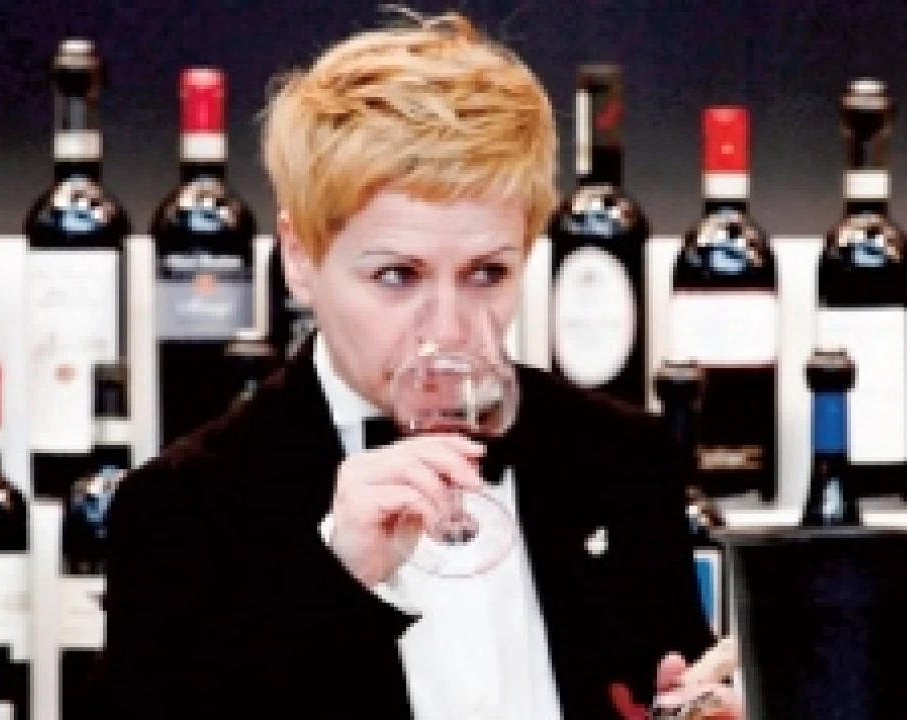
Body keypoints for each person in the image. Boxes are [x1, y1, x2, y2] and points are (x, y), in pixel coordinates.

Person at [102, 9, 742, 720]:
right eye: (397, 276)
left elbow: (672, 687)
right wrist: (335, 578)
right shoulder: (182, 510)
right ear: (299, 260)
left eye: (486, 273)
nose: (448, 329)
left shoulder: (623, 461)